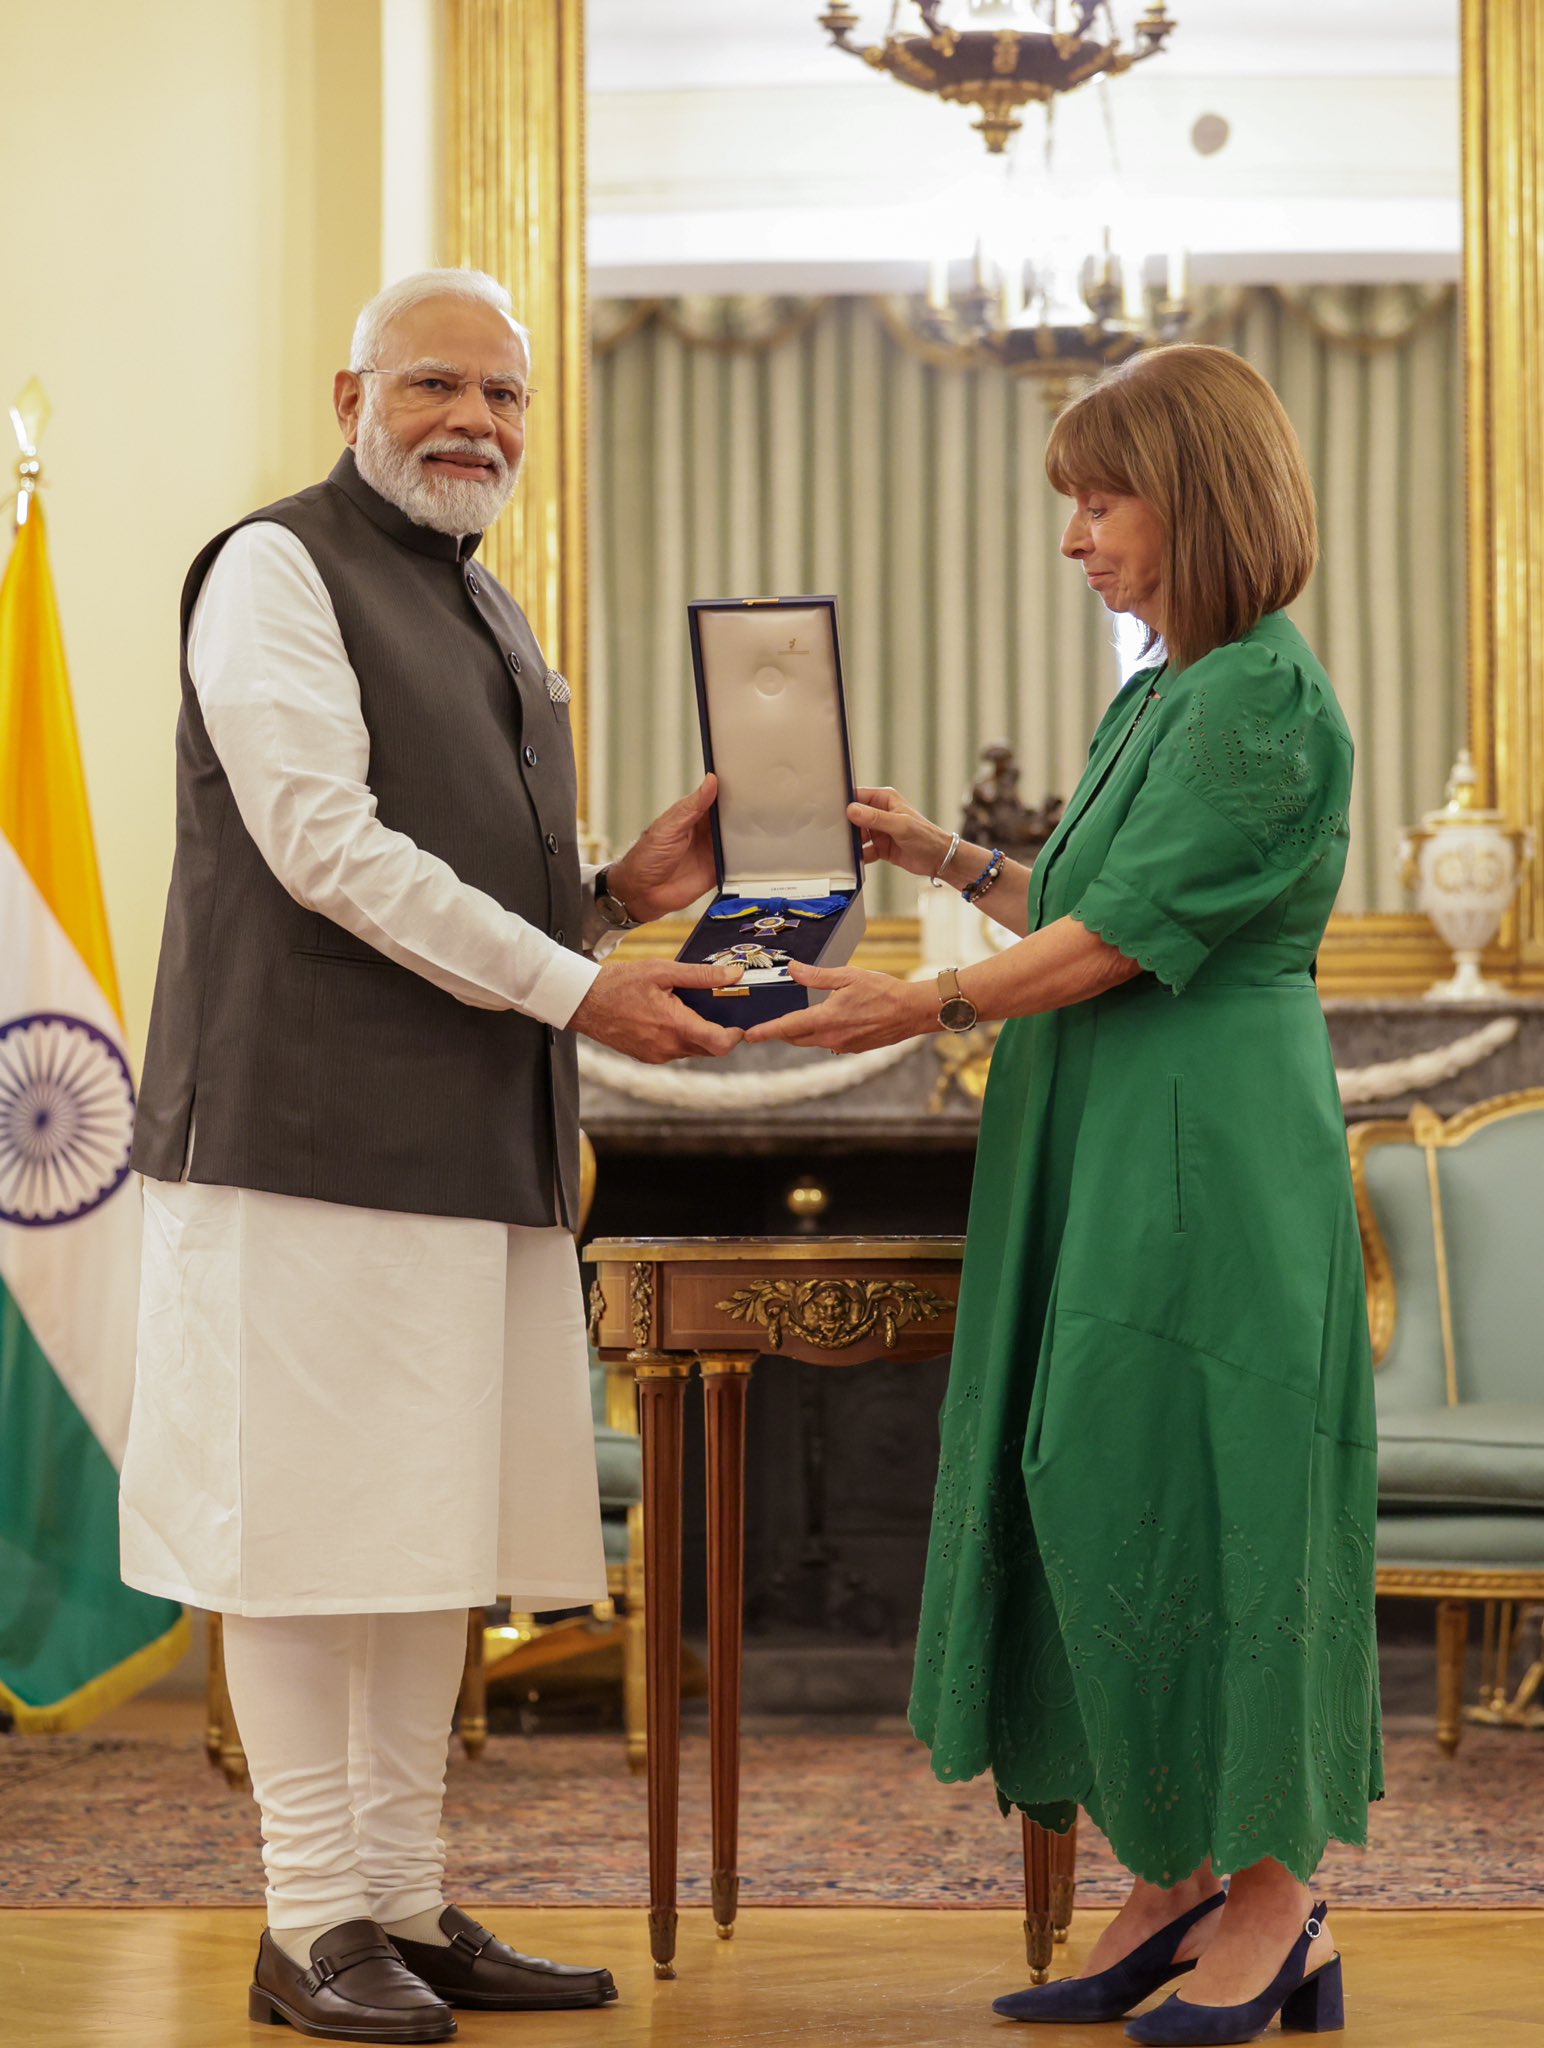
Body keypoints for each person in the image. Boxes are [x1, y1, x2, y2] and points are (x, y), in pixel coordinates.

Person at [120, 267, 744, 2044]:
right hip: (302, 1138)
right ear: (351, 396)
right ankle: (308, 1918)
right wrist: (588, 986)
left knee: (426, 1537)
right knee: (312, 1539)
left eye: (506, 398)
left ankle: (399, 1899)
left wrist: (624, 891)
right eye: (438, 388)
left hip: (473, 1145)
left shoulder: (492, 609)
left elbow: (471, 868)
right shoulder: (273, 570)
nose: (477, 422)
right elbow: (322, 844)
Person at [748, 344, 1380, 2045]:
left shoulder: (1261, 694)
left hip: (1208, 1150)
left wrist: (922, 997)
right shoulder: (1161, 691)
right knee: (1102, 1481)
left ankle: (1275, 1896)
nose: (1076, 536)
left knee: (1217, 1493)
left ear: (1202, 496)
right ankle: (1173, 1874)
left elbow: (1118, 946)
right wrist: (944, 861)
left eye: (1102, 501)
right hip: (1114, 1131)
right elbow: (1090, 894)